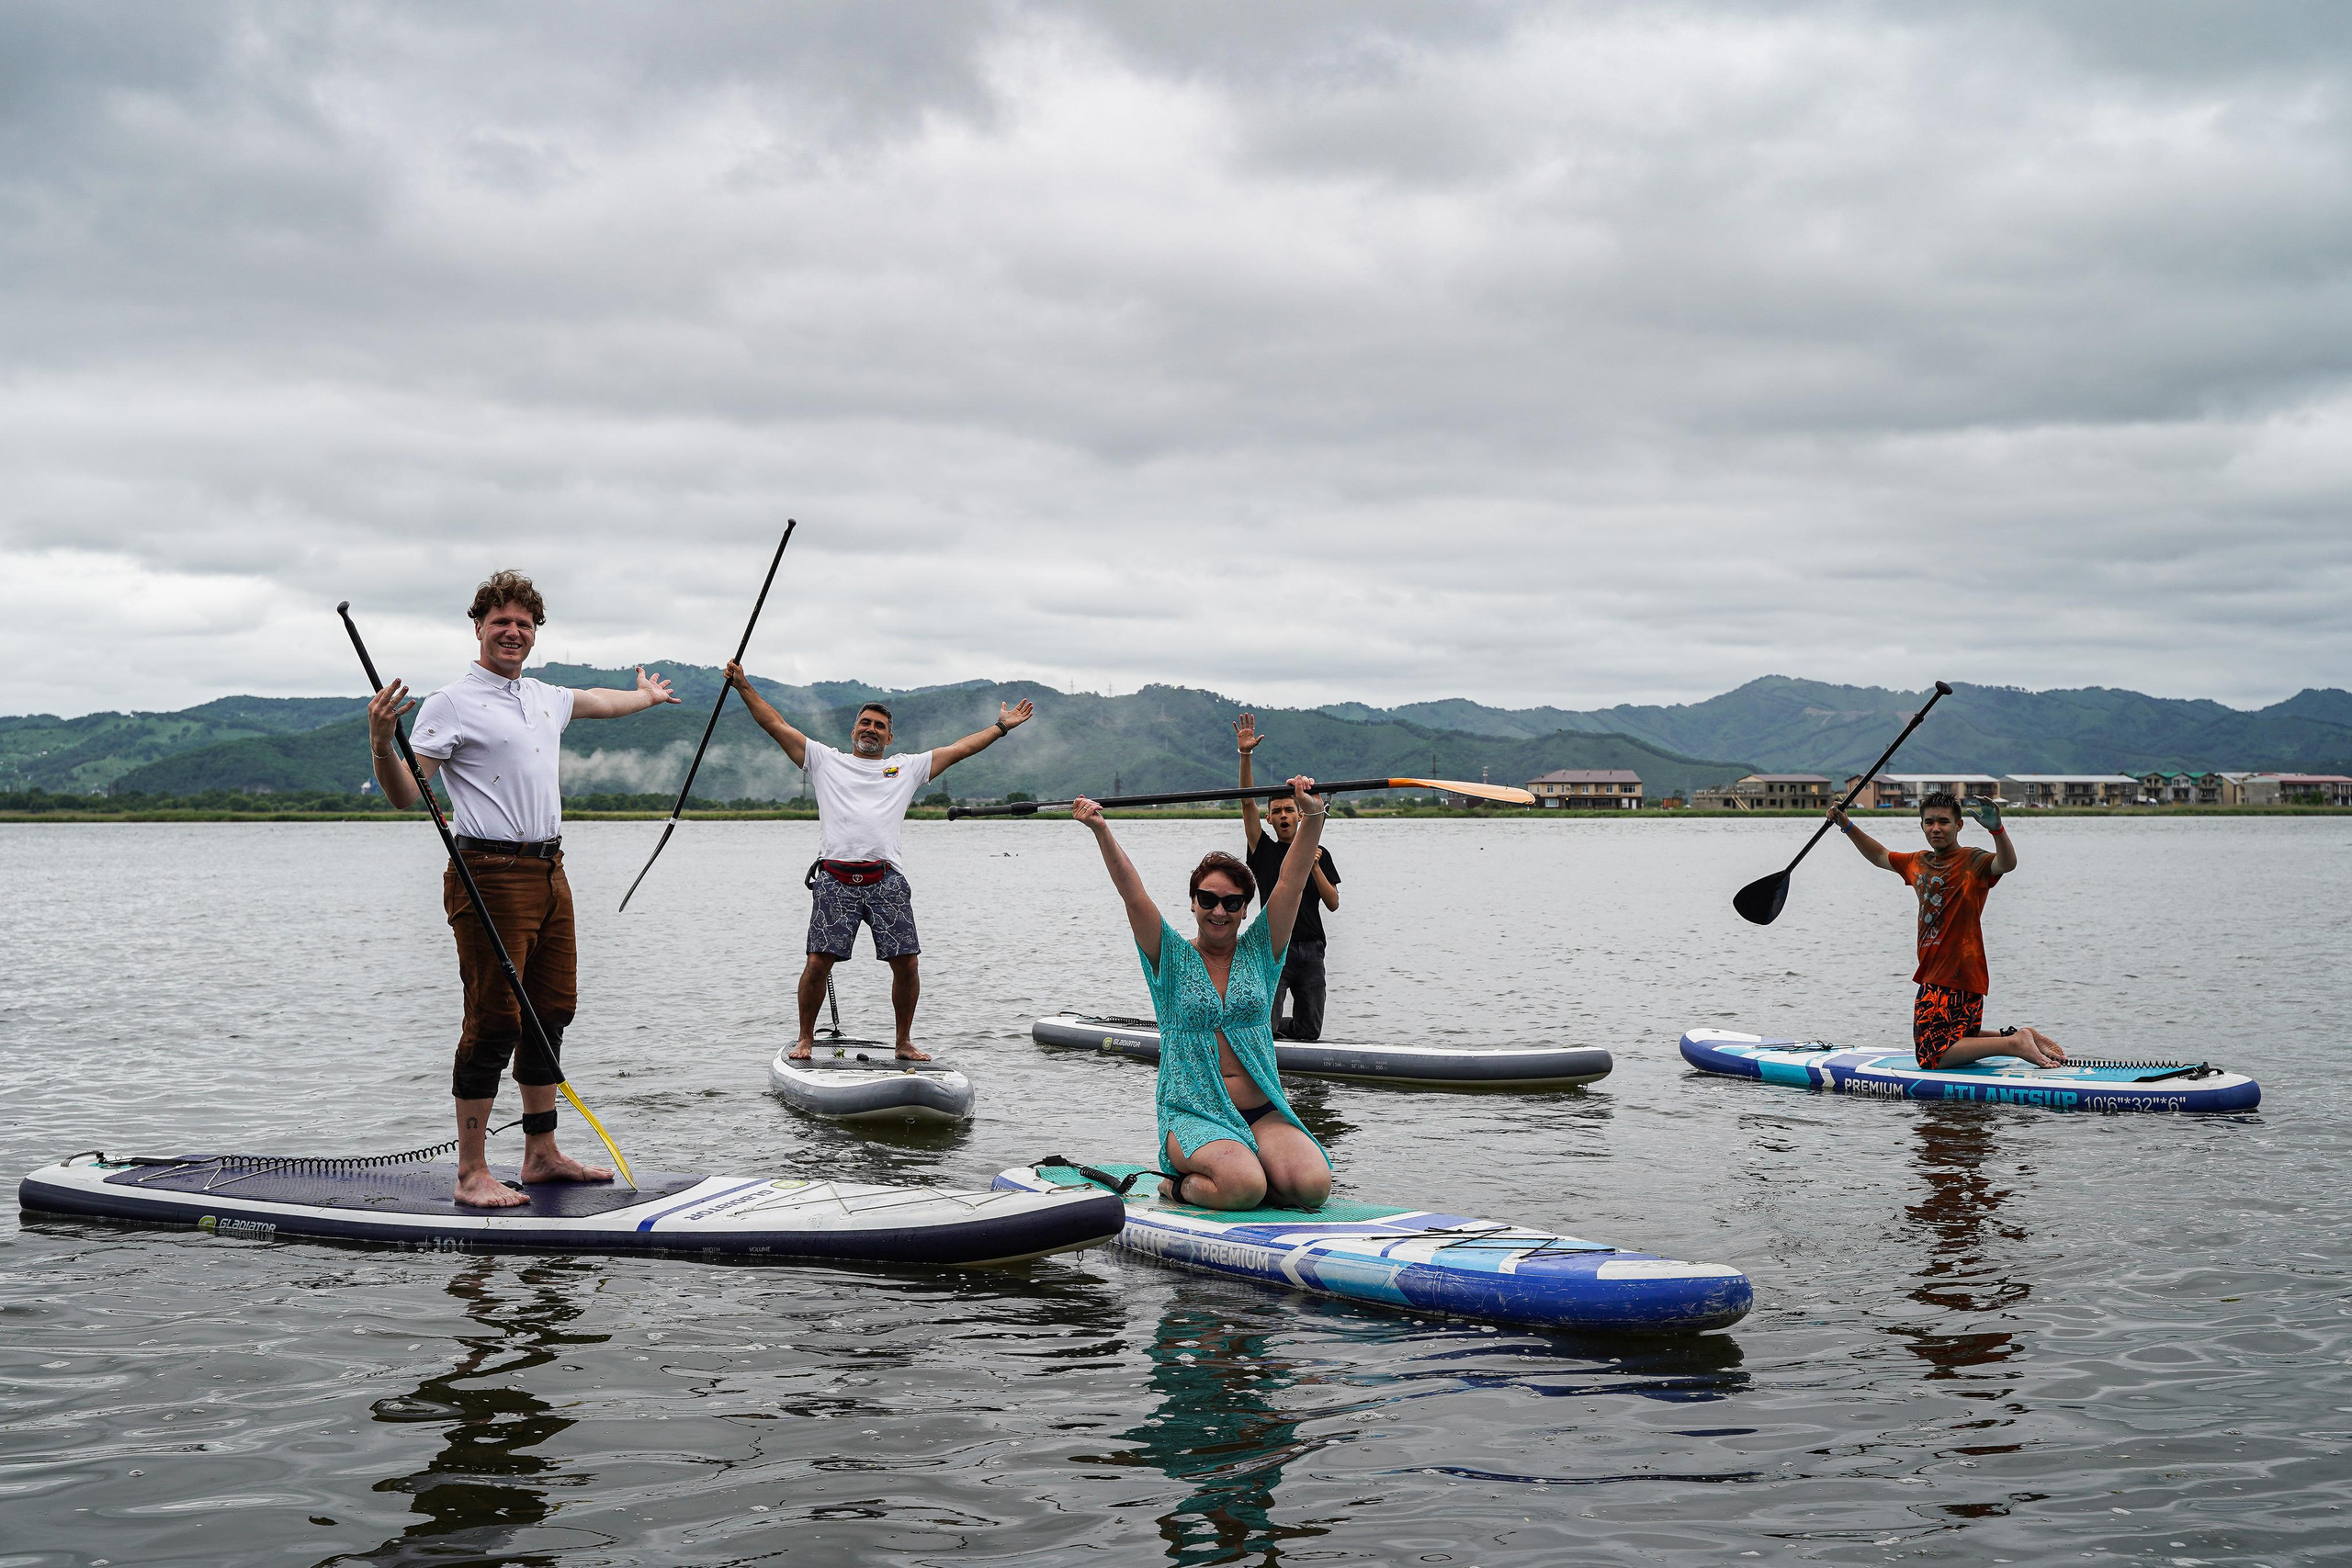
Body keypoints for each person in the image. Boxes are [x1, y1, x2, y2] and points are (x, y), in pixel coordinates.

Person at [365, 570, 680, 1208]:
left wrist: (644, 697)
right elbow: (406, 794)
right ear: (479, 628)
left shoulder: (543, 696)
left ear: (535, 632)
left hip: (550, 871)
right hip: (488, 874)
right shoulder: (450, 703)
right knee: (494, 1020)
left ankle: (541, 1154)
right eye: (501, 621)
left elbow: (599, 700)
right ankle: (471, 1173)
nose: (513, 632)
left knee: (550, 1011)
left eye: (525, 623)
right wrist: (379, 743)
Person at [726, 663, 1034, 1060]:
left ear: (890, 737)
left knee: (907, 964)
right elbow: (775, 725)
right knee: (818, 963)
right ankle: (805, 1039)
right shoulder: (824, 760)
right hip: (835, 878)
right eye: (865, 723)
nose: (871, 729)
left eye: (879, 726)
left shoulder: (906, 768)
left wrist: (1001, 727)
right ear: (853, 730)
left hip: (886, 879)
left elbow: (961, 748)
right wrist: (743, 686)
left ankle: (903, 1042)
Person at [1073, 774, 1334, 1212]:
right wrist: (1101, 828)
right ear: (1193, 901)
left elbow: (1290, 883)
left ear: (1245, 909)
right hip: (1196, 1114)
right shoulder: (1170, 956)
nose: (1219, 911)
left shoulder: (1261, 950)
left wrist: (1312, 816)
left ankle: (1256, 1171)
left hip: (1261, 1113)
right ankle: (1176, 1187)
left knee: (1312, 1187)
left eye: (1232, 903)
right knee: (1243, 1186)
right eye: (1208, 899)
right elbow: (1132, 893)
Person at [1827, 790, 2065, 1071]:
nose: (1936, 828)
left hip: (1954, 973)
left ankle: (2014, 1044)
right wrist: (1847, 825)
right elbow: (1879, 855)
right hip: (1941, 971)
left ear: (1958, 825)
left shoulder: (1973, 860)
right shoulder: (1917, 861)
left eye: (1944, 822)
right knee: (1956, 1037)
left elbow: (2007, 863)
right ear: (1922, 826)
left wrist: (1997, 831)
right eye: (1929, 822)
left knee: (1931, 1055)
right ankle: (2013, 1036)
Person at [1233, 713, 1340, 1040]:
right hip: (1275, 947)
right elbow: (1247, 803)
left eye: (1289, 810)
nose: (1283, 815)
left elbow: (1333, 903)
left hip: (1312, 948)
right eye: (1277, 811)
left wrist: (1314, 865)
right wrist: (1245, 755)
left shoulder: (1318, 851)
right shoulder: (1262, 850)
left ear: (1300, 814)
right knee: (1264, 1026)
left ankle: (1280, 1034)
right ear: (1269, 818)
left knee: (1310, 1031)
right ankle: (1258, 1032)